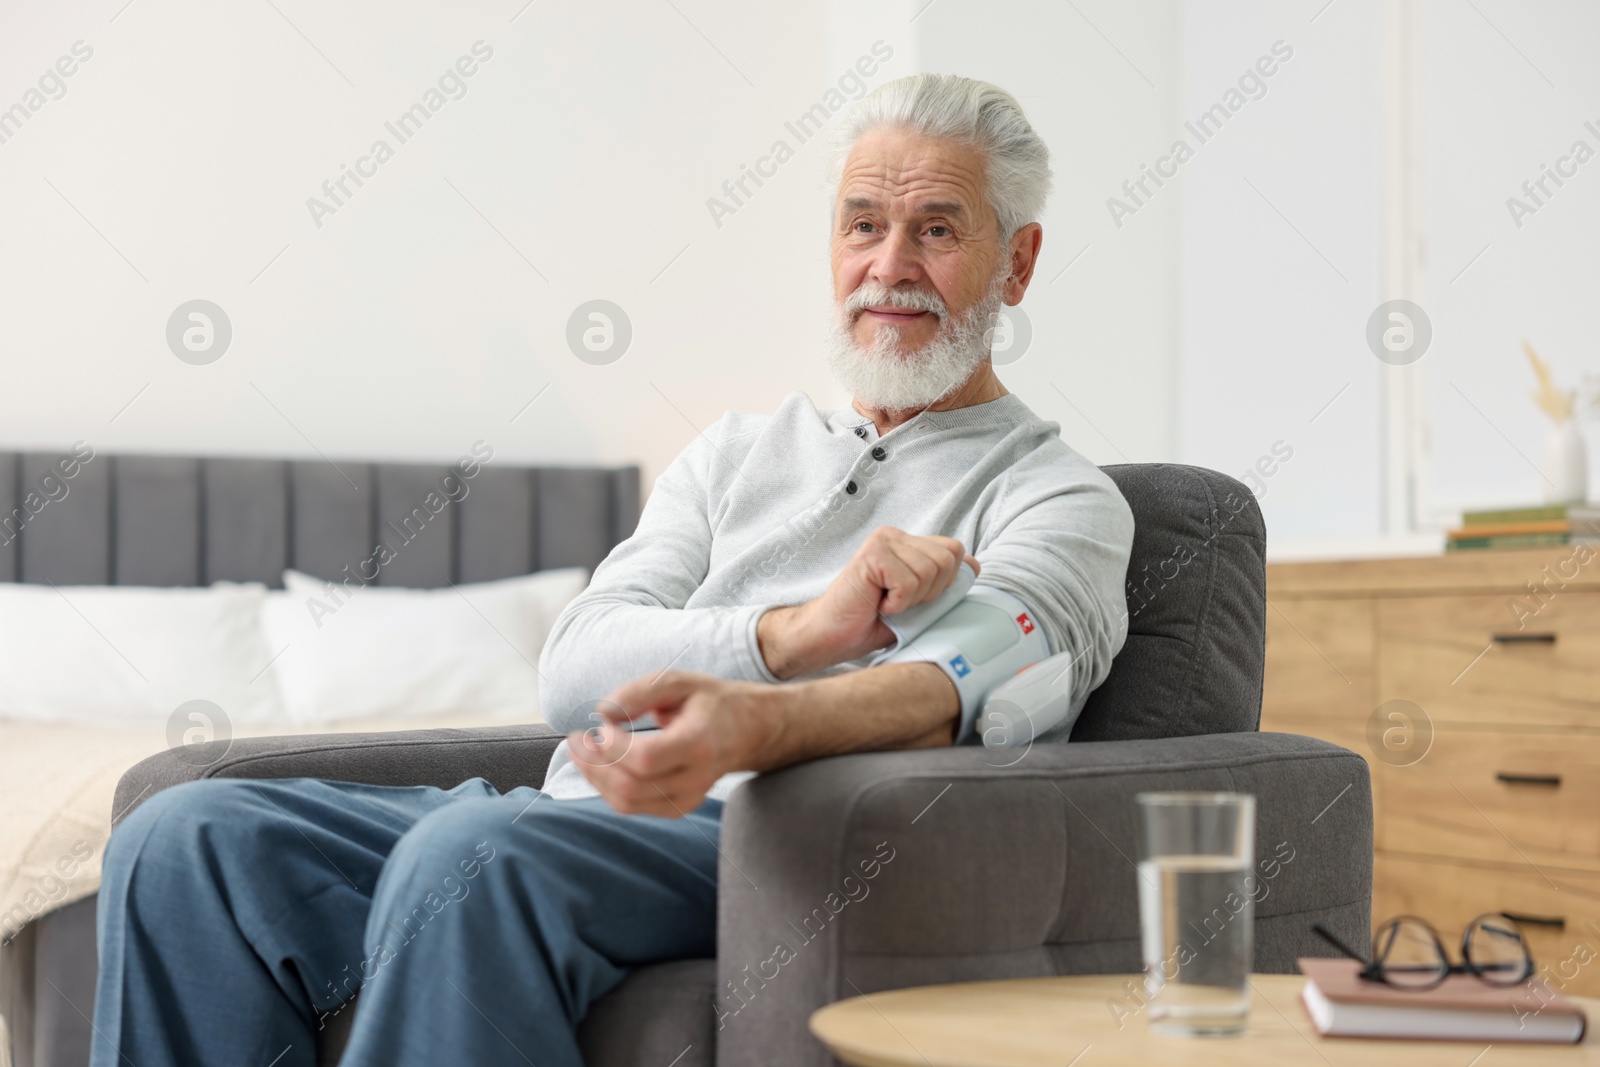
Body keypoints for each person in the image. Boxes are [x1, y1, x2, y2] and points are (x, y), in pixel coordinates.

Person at [91, 72, 1134, 1067]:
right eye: (863, 223)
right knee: (185, 835)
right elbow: (576, 663)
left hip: (773, 843)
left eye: (937, 229)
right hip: (568, 814)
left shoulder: (1055, 496)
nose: (890, 263)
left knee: (472, 855)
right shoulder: (731, 452)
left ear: (1018, 263)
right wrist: (795, 634)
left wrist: (747, 725)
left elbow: (966, 685)